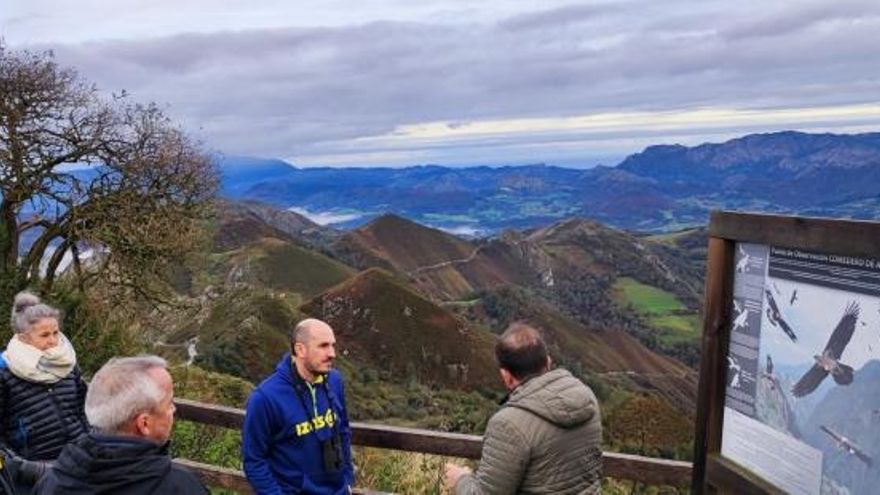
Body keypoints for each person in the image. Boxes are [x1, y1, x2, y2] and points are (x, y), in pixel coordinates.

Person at [445, 322, 603, 495]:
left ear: (506, 377)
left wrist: (460, 479)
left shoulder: (508, 424)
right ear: (548, 362)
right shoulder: (587, 398)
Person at [35, 355, 208, 494]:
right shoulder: (180, 487)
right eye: (168, 404)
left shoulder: (52, 481)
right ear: (144, 423)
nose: (173, 409)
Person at [243, 318, 354, 494]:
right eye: (323, 346)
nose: (332, 353)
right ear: (300, 349)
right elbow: (254, 461)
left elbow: (343, 431)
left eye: (333, 345)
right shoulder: (266, 398)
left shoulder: (334, 380)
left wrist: (347, 479)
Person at [0, 291, 89, 493]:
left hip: (77, 466)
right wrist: (25, 469)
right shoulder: (4, 371)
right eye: (44, 335)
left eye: (56, 333)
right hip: (32, 478)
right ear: (23, 338)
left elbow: (83, 412)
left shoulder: (67, 365)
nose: (53, 341)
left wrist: (90, 446)